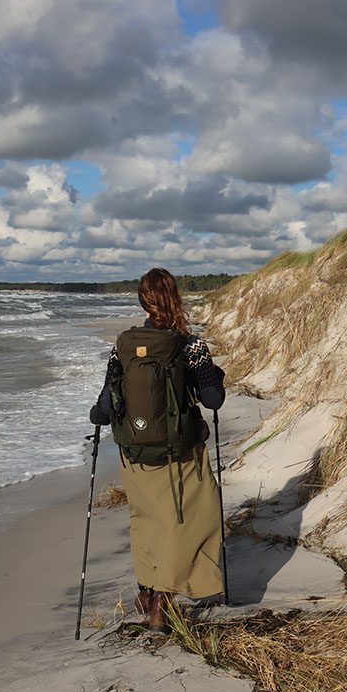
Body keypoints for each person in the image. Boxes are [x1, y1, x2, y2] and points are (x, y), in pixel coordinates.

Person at [89, 268, 226, 633]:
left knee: (145, 523)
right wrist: (217, 377)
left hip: (133, 455)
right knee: (192, 521)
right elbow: (213, 398)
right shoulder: (190, 345)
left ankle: (146, 595)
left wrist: (96, 417)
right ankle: (163, 603)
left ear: (142, 301)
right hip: (179, 454)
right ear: (175, 298)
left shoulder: (123, 347)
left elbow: (105, 405)